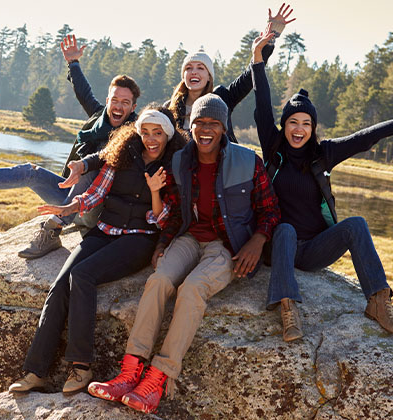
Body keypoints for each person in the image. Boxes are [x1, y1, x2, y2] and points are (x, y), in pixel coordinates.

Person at [250, 29, 393, 341]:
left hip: (315, 250)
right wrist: (256, 59)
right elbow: (262, 102)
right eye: (293, 122)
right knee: (286, 229)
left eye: (306, 123)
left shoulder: (324, 154)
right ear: (285, 124)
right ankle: (288, 307)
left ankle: (377, 300)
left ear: (313, 128)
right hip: (280, 246)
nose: (299, 129)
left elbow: (367, 136)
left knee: (356, 224)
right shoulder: (273, 146)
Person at [86, 94, 280, 413]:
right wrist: (163, 244)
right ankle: (129, 372)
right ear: (190, 127)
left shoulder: (248, 161)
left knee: (191, 290)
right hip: (188, 237)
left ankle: (157, 379)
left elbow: (270, 210)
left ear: (224, 128)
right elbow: (176, 213)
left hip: (227, 246)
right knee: (159, 279)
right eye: (199, 123)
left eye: (213, 124)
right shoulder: (180, 162)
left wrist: (257, 241)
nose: (206, 129)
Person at [7, 106, 187, 394]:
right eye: (145, 132)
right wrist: (69, 207)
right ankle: (35, 370)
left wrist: (155, 190)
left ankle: (81, 366)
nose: (151, 139)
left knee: (82, 275)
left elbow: (165, 219)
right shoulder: (122, 157)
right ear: (137, 133)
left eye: (157, 133)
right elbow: (96, 193)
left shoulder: (175, 166)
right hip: (104, 230)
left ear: (167, 134)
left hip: (139, 239)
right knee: (59, 285)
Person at [0, 70, 141, 259]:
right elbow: (83, 92)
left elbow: (106, 155)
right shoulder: (99, 117)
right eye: (114, 100)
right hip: (68, 197)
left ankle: (52, 230)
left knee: (90, 172)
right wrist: (73, 63)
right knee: (31, 172)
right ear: (107, 101)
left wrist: (84, 165)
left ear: (133, 108)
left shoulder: (134, 135)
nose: (118, 106)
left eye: (125, 102)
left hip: (93, 208)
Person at [165, 3, 295, 142]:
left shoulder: (222, 98)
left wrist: (270, 38)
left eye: (200, 68)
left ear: (209, 76)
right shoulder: (170, 108)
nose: (194, 72)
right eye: (188, 68)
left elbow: (250, 76)